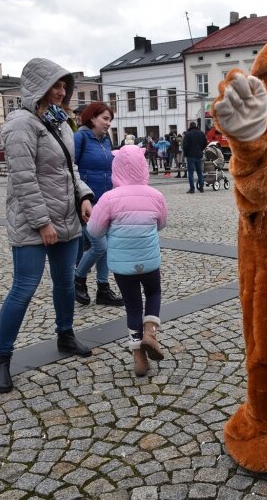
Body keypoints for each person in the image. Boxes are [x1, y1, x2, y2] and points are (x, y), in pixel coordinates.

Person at [0, 57, 95, 394]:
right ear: (38, 86)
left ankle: (65, 335)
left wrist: (83, 196)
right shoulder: (20, 124)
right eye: (55, 84)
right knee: (24, 288)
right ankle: (1, 359)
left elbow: (70, 169)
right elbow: (23, 180)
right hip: (34, 223)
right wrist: (42, 223)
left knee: (65, 283)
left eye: (65, 85)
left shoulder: (61, 122)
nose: (61, 90)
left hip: (67, 217)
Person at [87, 145, 168, 376]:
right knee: (153, 293)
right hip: (149, 261)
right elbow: (161, 224)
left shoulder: (109, 198)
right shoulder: (156, 195)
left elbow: (94, 231)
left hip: (123, 266)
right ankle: (150, 333)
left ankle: (138, 358)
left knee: (133, 305)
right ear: (143, 167)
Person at [73, 102, 124, 307]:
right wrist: (82, 196)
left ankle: (103, 288)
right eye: (105, 118)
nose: (108, 123)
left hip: (106, 200)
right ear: (92, 118)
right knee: (99, 245)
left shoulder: (106, 140)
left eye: (110, 119)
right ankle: (78, 279)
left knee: (107, 246)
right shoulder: (80, 138)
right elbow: (71, 169)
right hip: (87, 201)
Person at [182, 121, 207, 193]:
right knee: (200, 172)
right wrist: (200, 149)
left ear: (190, 126)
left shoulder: (188, 134)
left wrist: (186, 154)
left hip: (190, 156)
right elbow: (205, 143)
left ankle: (192, 188)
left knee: (190, 173)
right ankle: (201, 187)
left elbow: (185, 146)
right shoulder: (201, 133)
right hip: (199, 155)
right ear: (196, 126)